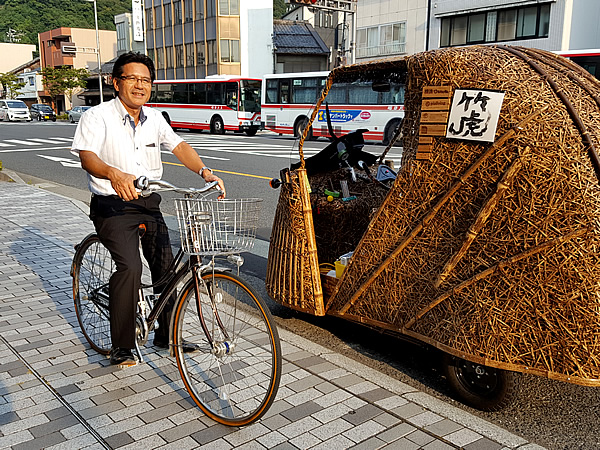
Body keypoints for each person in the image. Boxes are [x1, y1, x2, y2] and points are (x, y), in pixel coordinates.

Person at [72, 52, 225, 367]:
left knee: (166, 267)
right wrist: (114, 174)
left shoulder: (155, 118)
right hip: (112, 206)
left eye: (146, 80)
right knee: (130, 268)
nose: (140, 86)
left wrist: (205, 172)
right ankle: (123, 346)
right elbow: (87, 157)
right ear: (116, 83)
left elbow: (179, 146)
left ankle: (166, 333)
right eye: (132, 79)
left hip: (148, 203)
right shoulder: (96, 116)